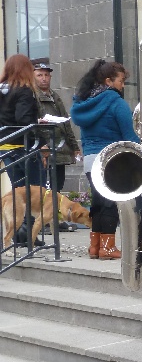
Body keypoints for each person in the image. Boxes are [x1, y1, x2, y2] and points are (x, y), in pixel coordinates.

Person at [70, 59, 139, 260]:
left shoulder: (84, 103)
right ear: (108, 81)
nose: (123, 86)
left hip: (90, 159)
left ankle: (95, 246)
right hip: (111, 160)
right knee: (110, 203)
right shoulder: (116, 102)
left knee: (98, 203)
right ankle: (107, 248)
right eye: (121, 81)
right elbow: (129, 136)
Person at [0, 54, 47, 247]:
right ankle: (27, 235)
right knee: (33, 192)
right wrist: (39, 124)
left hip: (5, 146)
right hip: (24, 147)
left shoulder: (2, 90)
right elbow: (23, 119)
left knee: (19, 191)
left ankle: (19, 234)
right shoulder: (24, 91)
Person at [31, 60, 81, 193]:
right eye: (40, 75)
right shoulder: (32, 96)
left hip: (60, 148)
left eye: (46, 75)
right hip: (45, 149)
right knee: (45, 190)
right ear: (33, 77)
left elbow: (66, 123)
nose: (44, 78)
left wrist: (74, 147)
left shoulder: (55, 96)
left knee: (57, 187)